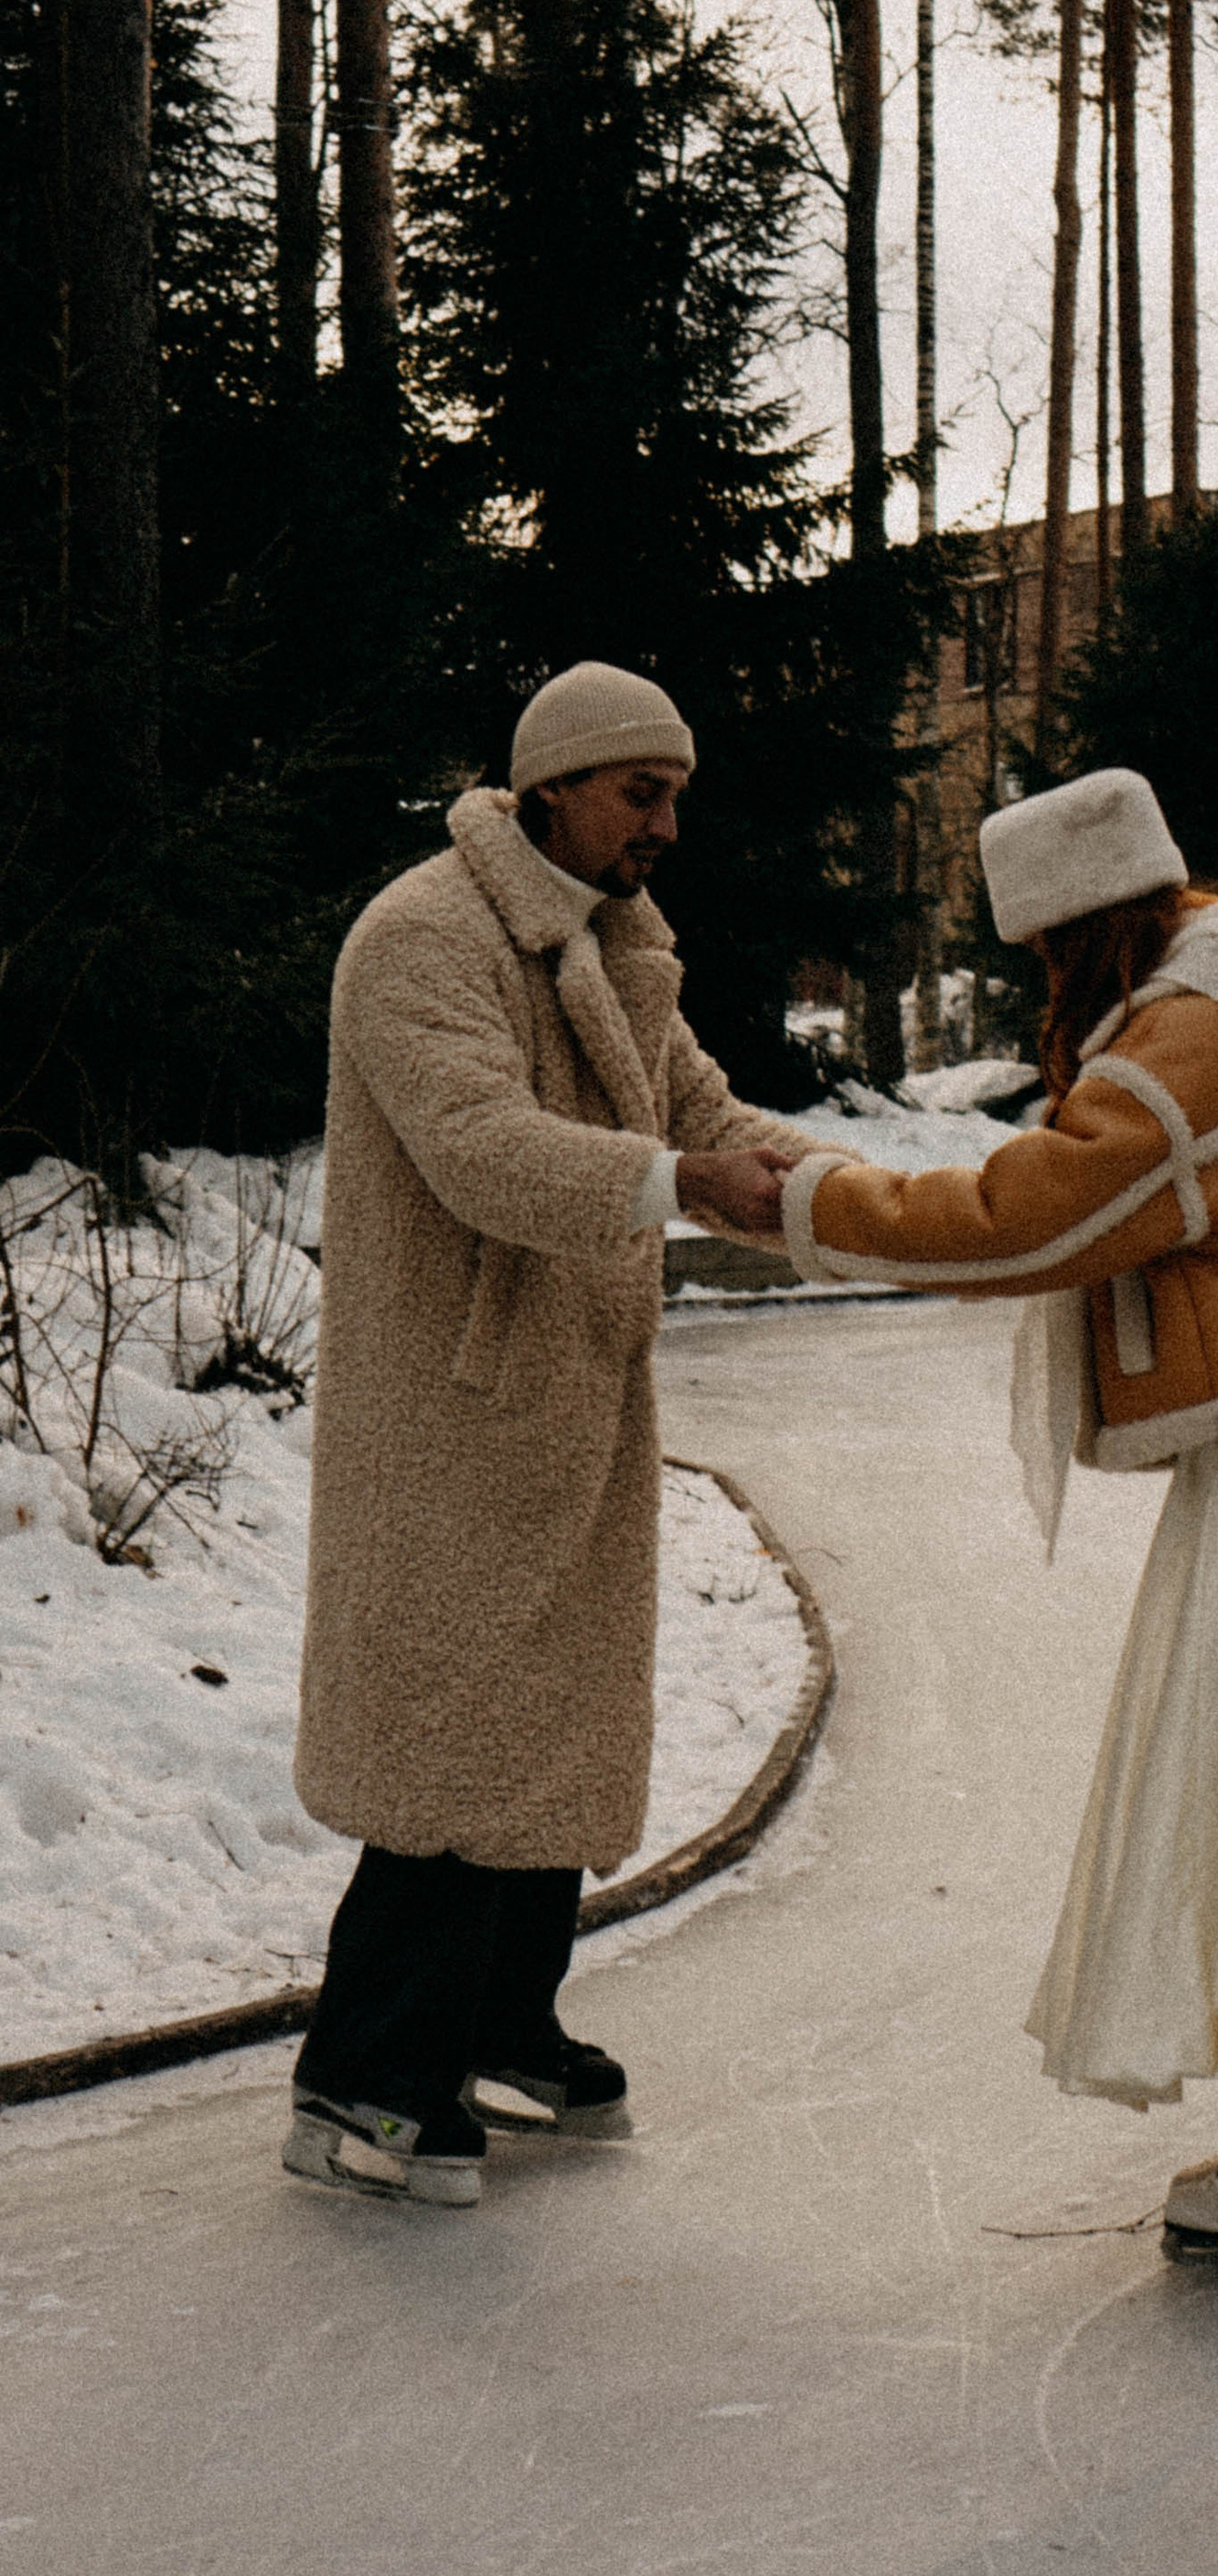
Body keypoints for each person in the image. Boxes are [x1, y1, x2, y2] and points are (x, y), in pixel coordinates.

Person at [782, 768, 1218, 2260]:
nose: (1040, 987)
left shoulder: (1189, 1047)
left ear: (1085, 928)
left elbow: (1025, 1220)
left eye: (1041, 956)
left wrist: (797, 1199)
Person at [287, 662, 835, 2207]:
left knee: (549, 1719)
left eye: (677, 796)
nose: (666, 824)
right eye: (637, 793)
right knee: (448, 1736)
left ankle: (500, 2022)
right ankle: (362, 2077)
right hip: (450, 1410)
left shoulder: (607, 946)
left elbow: (711, 1114)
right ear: (549, 790)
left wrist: (869, 1199)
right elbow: (481, 1153)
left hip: (569, 1390)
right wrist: (680, 1187)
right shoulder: (423, 938)